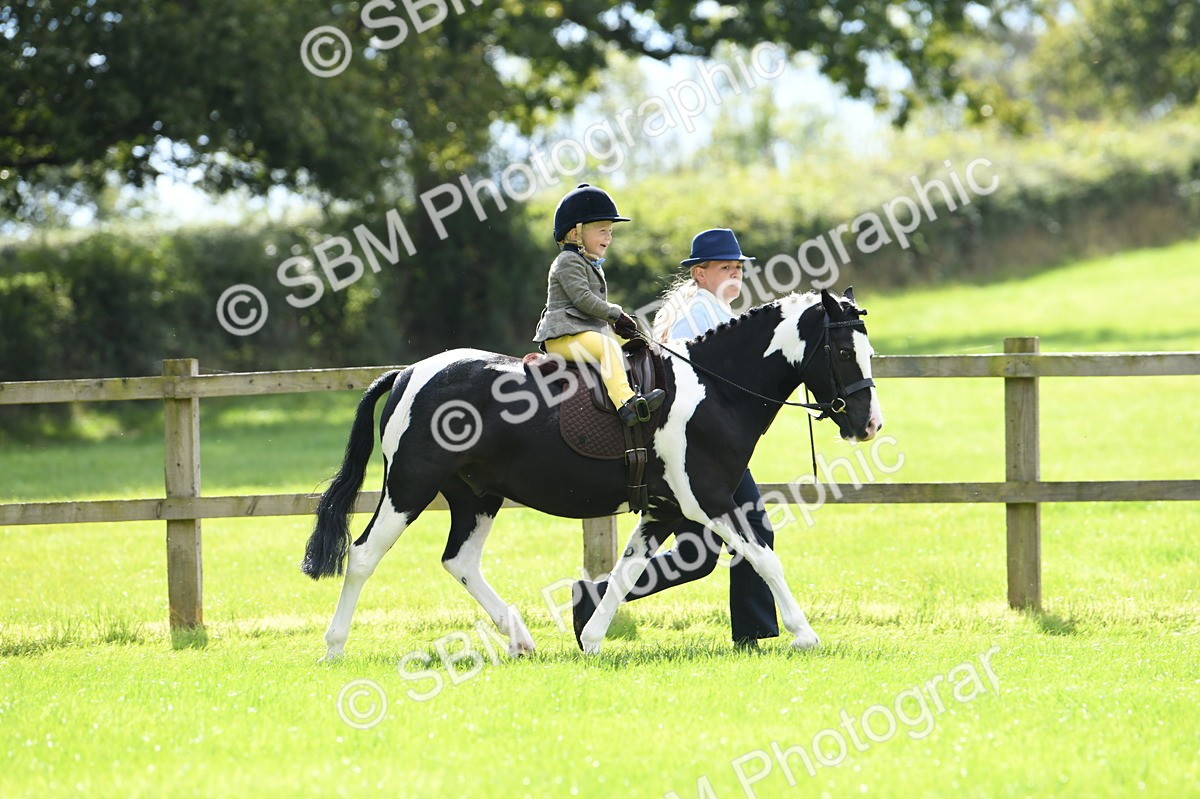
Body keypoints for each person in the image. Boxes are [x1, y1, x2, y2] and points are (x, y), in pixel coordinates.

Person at [573, 228, 779, 649]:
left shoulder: (716, 310)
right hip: (695, 451)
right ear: (700, 273)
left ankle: (594, 599)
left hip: (709, 449)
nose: (735, 274)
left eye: (738, 268)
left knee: (696, 557)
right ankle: (751, 636)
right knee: (751, 531)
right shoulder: (696, 312)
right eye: (725, 267)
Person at [533, 183, 665, 426]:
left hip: (581, 333)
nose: (609, 237)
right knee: (607, 347)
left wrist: (618, 324)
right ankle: (627, 404)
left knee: (631, 345)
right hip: (563, 337)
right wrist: (616, 314)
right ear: (576, 234)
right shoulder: (567, 261)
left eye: (610, 232)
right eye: (603, 231)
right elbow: (583, 299)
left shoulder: (587, 262)